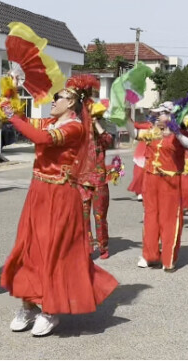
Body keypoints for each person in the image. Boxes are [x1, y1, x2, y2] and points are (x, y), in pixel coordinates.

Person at [0, 75, 118, 337]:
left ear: (72, 102)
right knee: (29, 249)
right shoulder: (52, 121)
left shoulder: (75, 127)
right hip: (38, 192)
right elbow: (28, 123)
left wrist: (11, 115)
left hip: (61, 194)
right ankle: (28, 304)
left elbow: (41, 139)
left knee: (54, 252)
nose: (53, 102)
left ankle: (51, 310)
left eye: (58, 98)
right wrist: (12, 89)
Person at [127, 101, 188, 271]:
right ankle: (149, 255)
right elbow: (134, 133)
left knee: (169, 218)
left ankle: (168, 259)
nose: (156, 117)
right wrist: (124, 117)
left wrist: (173, 126)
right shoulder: (153, 132)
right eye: (156, 115)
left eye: (160, 114)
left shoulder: (179, 134)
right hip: (150, 179)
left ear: (171, 115)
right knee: (150, 217)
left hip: (170, 182)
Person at [77, 101, 114, 258]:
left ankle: (103, 247)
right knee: (83, 219)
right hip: (82, 182)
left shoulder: (101, 135)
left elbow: (109, 141)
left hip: (99, 181)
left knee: (100, 217)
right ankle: (87, 248)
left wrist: (96, 124)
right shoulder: (79, 133)